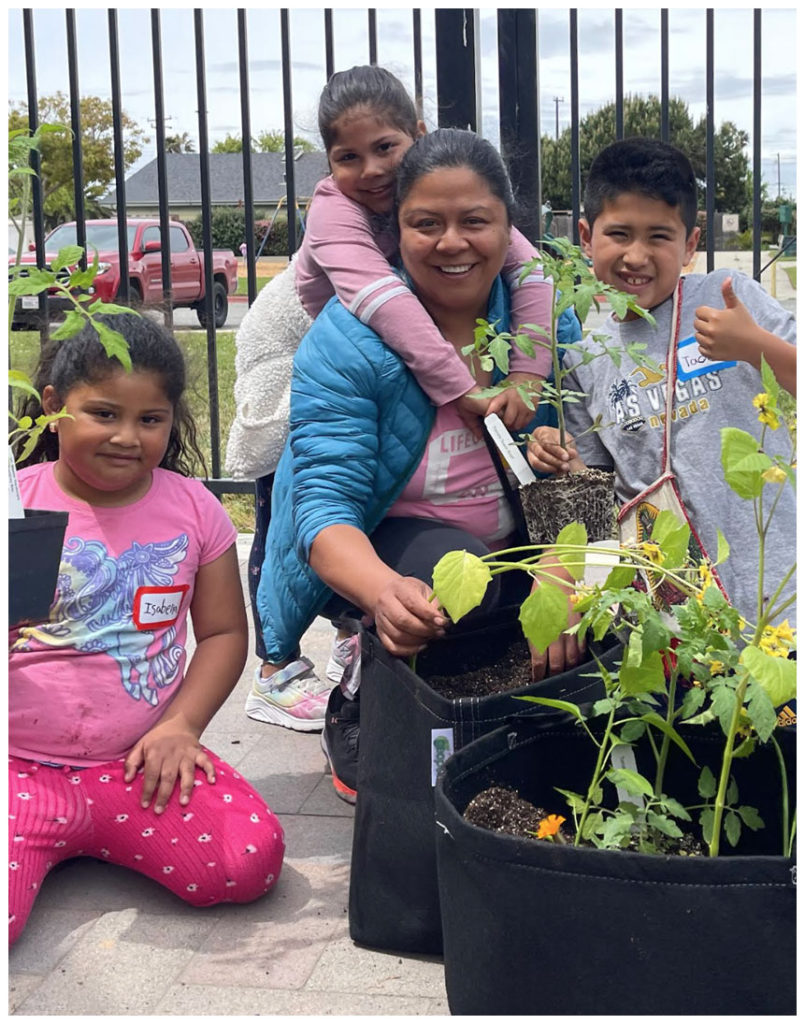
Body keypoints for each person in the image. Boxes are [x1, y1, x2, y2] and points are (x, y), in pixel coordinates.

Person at [229, 65, 563, 733]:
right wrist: (463, 388)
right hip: (295, 344)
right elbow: (384, 309)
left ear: (506, 224)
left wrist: (568, 561)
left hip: (493, 513)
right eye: (425, 224)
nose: (451, 241)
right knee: (289, 497)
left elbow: (538, 280)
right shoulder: (352, 282)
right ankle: (318, 668)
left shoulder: (533, 305)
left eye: (475, 221)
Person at [8, 316, 285, 947]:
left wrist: (180, 727)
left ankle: (94, 836)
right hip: (17, 763)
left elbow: (221, 634)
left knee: (244, 863)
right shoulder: (14, 507)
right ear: (53, 407)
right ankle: (43, 838)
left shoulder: (194, 508)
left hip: (141, 762)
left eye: (149, 420)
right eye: (103, 414)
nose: (126, 437)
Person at [526, 137, 796, 678]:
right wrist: (561, 459)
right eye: (619, 234)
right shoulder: (585, 357)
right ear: (585, 236)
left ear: (691, 242)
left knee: (781, 732)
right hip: (671, 601)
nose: (636, 255)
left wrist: (755, 346)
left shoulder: (726, 296)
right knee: (692, 730)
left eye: (659, 236)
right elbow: (599, 488)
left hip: (778, 584)